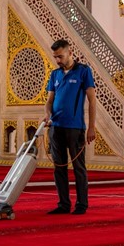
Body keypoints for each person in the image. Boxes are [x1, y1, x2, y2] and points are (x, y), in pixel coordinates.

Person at [43, 40, 96, 215]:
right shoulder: (55, 75)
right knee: (59, 167)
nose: (57, 60)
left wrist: (91, 127)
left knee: (79, 168)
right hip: (56, 128)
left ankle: (82, 204)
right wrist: (47, 114)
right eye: (55, 57)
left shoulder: (83, 71)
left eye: (60, 56)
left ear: (69, 52)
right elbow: (49, 101)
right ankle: (63, 204)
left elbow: (92, 101)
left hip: (75, 128)